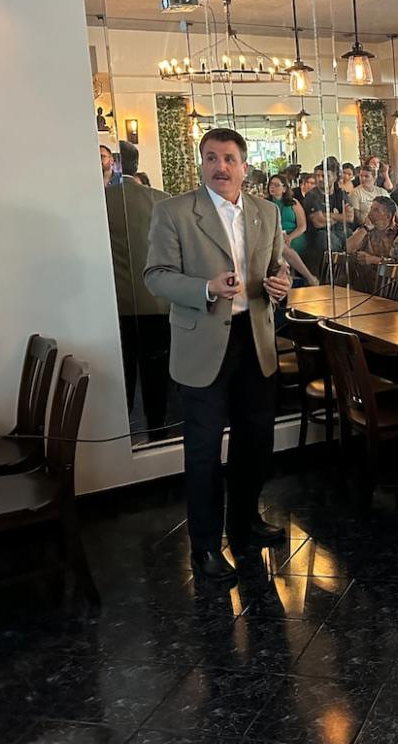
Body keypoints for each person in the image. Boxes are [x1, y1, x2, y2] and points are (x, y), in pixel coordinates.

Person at [144, 128, 291, 583]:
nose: (220, 166)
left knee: (255, 445)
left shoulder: (267, 212)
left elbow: (276, 267)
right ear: (201, 164)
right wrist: (205, 288)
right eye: (211, 158)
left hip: (256, 342)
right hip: (203, 343)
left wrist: (281, 283)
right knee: (204, 453)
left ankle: (245, 524)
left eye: (229, 158)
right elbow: (156, 276)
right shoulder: (173, 213)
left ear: (245, 166)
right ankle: (205, 548)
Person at [106, 169, 171, 432]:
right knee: (156, 374)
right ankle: (158, 426)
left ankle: (121, 432)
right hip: (156, 300)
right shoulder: (163, 200)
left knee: (122, 373)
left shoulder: (101, 201)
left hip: (115, 304)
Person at [302, 159, 352, 277]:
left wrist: (327, 215)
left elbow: (350, 217)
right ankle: (334, 276)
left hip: (341, 231)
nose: (320, 179)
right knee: (328, 240)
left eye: (325, 176)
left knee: (353, 236)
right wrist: (340, 216)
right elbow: (318, 222)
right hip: (319, 234)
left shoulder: (341, 194)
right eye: (318, 176)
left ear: (334, 177)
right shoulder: (311, 195)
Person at [266, 174, 318, 286]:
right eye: (271, 185)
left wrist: (290, 237)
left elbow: (302, 226)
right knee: (281, 247)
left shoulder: (293, 203)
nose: (272, 187)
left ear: (284, 188)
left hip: (295, 235)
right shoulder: (265, 204)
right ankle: (307, 277)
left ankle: (297, 279)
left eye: (276, 185)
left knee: (283, 247)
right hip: (275, 236)